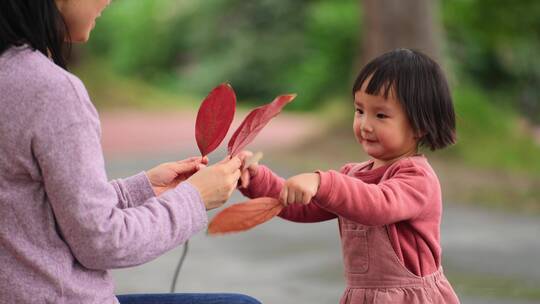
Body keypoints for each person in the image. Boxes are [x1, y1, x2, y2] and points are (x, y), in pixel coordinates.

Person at [0, 0, 260, 303]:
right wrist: (196, 198)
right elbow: (104, 242)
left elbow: (35, 206)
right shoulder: (51, 91)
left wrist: (143, 188)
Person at [238, 49, 461, 303]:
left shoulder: (417, 177)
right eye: (359, 111)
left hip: (410, 297)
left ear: (420, 125)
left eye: (381, 115)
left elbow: (378, 204)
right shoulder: (353, 176)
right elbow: (302, 206)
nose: (365, 124)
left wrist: (323, 182)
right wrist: (256, 178)